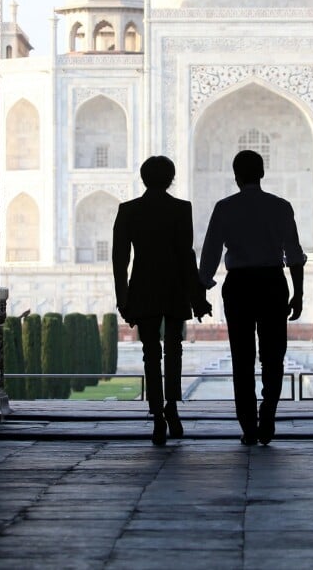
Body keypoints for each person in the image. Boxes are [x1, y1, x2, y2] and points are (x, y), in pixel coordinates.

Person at [199, 149, 307, 446]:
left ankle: (248, 425)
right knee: (274, 356)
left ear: (236, 177)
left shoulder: (225, 207)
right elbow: (294, 255)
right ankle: (268, 413)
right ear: (262, 173)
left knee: (241, 358)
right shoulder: (280, 207)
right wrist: (298, 293)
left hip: (240, 286)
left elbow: (210, 255)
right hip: (273, 283)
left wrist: (201, 291)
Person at [112, 155, 212, 446]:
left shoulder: (129, 210)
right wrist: (197, 297)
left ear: (143, 178)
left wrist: (123, 298)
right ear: (171, 178)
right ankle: (172, 407)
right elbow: (185, 255)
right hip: (173, 288)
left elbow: (120, 260)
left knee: (150, 355)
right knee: (174, 351)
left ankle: (157, 416)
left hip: (143, 288)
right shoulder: (180, 209)